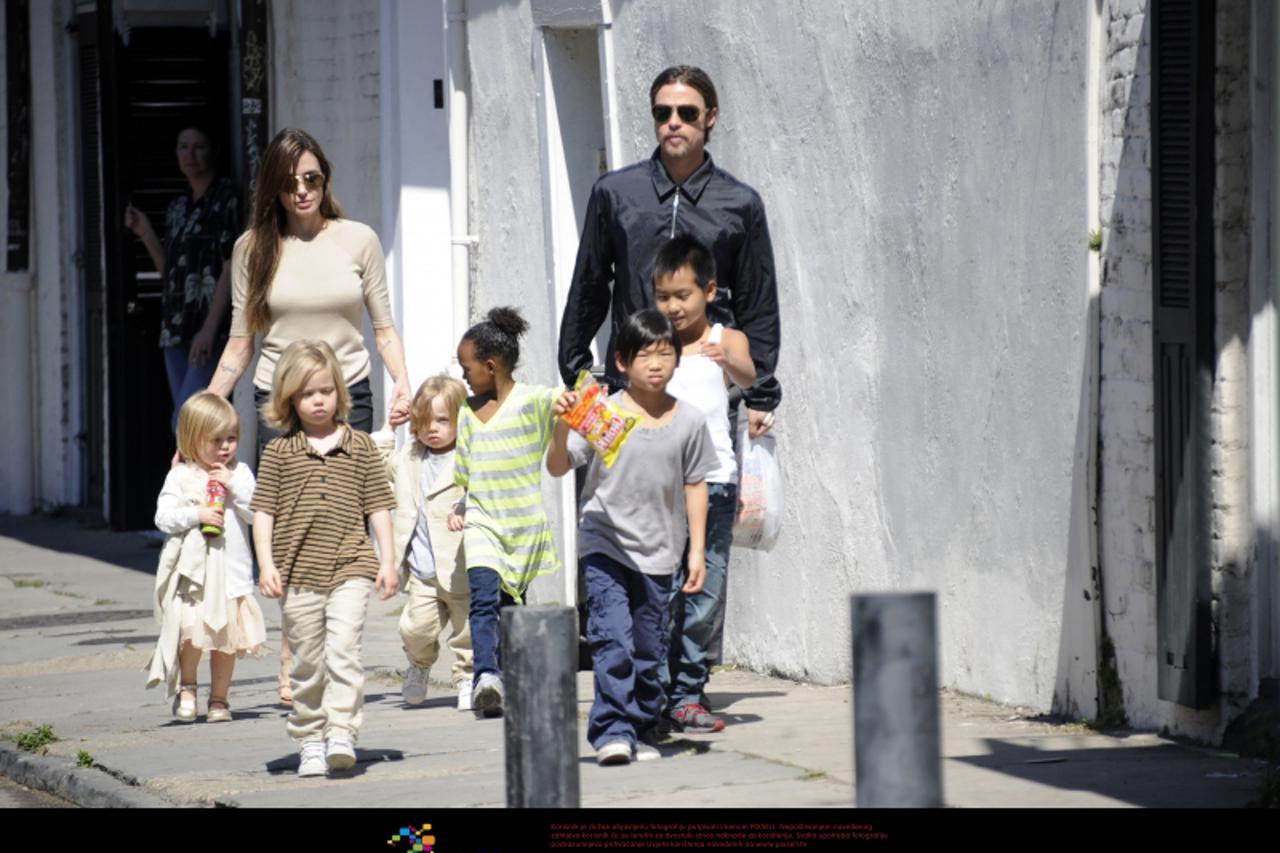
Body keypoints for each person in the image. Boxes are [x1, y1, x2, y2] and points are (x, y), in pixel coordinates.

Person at [207, 127, 412, 705]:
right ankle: (295, 656)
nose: (302, 191)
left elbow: (385, 328)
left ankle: (338, 651)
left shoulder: (358, 240)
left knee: (347, 529)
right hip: (278, 400)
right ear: (273, 187)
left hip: (351, 397)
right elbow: (240, 343)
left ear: (326, 180)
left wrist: (403, 384)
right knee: (291, 528)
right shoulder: (253, 248)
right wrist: (209, 406)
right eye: (290, 182)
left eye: (312, 180)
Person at [557, 65, 781, 440]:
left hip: (708, 387)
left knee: (706, 494)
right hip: (628, 386)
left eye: (687, 113)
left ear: (710, 118)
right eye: (663, 113)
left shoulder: (740, 204)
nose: (674, 123)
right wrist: (577, 373)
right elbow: (589, 285)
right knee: (626, 496)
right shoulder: (615, 193)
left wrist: (760, 393)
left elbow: (757, 303)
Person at [548, 309, 716, 765]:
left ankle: (641, 726)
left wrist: (696, 549)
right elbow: (559, 466)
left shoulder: (690, 422)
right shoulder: (605, 413)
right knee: (612, 639)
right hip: (605, 544)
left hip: (660, 553)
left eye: (666, 353)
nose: (657, 363)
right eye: (645, 355)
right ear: (622, 362)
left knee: (648, 648)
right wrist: (563, 425)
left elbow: (696, 483)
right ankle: (611, 730)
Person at [250, 340, 399, 777]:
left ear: (339, 392)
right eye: (307, 393)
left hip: (351, 566)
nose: (318, 400)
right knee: (308, 661)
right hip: (298, 575)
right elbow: (263, 513)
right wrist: (266, 564)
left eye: (326, 390)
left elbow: (379, 508)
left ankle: (341, 733)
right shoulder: (279, 453)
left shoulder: (361, 447)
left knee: (344, 652)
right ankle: (310, 738)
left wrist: (386, 561)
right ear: (289, 399)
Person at [650, 236, 755, 734]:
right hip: (662, 487)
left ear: (709, 291)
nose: (672, 307)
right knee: (663, 590)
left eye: (682, 295)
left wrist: (725, 361)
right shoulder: (654, 345)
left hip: (714, 483)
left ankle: (689, 691)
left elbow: (751, 375)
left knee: (705, 589)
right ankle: (658, 691)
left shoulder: (724, 337)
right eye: (663, 296)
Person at [448, 307, 562, 718]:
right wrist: (461, 505)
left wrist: (582, 401)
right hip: (482, 520)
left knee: (513, 606)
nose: (463, 375)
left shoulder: (532, 402)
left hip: (521, 525)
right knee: (482, 601)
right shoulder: (466, 411)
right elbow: (466, 471)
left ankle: (512, 678)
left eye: (467, 367)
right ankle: (486, 676)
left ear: (491, 366)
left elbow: (566, 403)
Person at [146, 391, 266, 722]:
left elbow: (259, 514)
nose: (226, 447)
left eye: (232, 438)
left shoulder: (240, 473)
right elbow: (163, 517)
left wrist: (234, 487)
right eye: (216, 440)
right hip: (194, 576)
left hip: (232, 573)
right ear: (192, 439)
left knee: (225, 640)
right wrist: (197, 513)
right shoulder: (181, 475)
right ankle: (188, 687)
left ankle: (220, 698)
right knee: (190, 632)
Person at [125, 121, 242, 428]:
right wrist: (146, 232)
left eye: (199, 147)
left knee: (190, 419)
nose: (191, 155)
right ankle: (196, 476)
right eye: (183, 147)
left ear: (213, 151)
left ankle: (197, 476)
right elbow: (171, 272)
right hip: (174, 326)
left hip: (208, 327)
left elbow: (230, 264)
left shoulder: (226, 197)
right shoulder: (177, 207)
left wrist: (208, 329)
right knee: (187, 418)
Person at [371, 375, 474, 712]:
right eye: (425, 421)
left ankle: (467, 677)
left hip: (460, 566)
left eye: (443, 421)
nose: (433, 429)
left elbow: (482, 490)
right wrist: (389, 424)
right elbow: (377, 463)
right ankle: (419, 664)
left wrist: (465, 507)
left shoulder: (467, 457)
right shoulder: (411, 456)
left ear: (461, 419)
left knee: (468, 631)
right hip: (422, 570)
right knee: (416, 628)